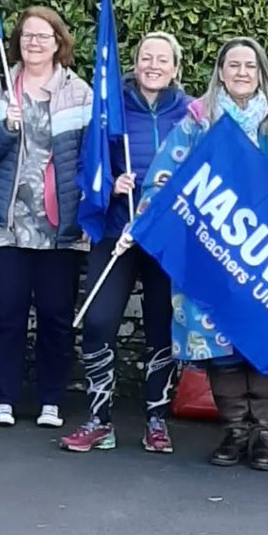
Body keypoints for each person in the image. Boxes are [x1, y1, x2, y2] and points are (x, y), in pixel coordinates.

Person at [135, 37, 268, 470]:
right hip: (216, 250)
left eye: (249, 66)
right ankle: (235, 431)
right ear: (220, 72)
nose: (240, 73)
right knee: (223, 344)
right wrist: (149, 214)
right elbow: (165, 175)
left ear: (261, 73)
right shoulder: (199, 123)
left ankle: (264, 435)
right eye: (232, 65)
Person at [62, 33, 189, 454]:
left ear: (175, 68)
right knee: (99, 320)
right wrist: (111, 185)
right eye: (145, 57)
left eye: (162, 59)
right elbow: (89, 164)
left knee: (162, 327)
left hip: (166, 236)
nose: (153, 65)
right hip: (119, 229)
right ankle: (99, 419)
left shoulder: (191, 114)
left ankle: (157, 419)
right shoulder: (110, 108)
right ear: (134, 63)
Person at [0, 6, 92, 427]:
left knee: (57, 314)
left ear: (59, 42)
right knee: (6, 312)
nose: (33, 43)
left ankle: (51, 400)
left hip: (60, 225)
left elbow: (93, 158)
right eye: (26, 36)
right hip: (6, 223)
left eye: (43, 36)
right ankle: (3, 399)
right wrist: (4, 128)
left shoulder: (81, 93)